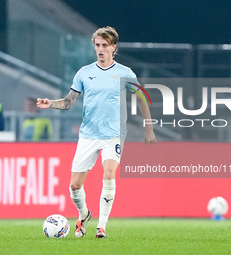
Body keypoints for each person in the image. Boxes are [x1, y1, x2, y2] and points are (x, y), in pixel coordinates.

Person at [37, 26, 156, 238]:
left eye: (104, 46)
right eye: (97, 46)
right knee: (74, 185)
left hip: (113, 134)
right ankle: (84, 214)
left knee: (109, 173)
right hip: (88, 135)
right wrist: (50, 104)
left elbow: (142, 97)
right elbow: (68, 102)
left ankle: (102, 226)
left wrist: (149, 128)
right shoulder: (84, 73)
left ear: (113, 48)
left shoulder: (125, 73)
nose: (100, 50)